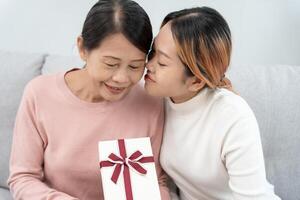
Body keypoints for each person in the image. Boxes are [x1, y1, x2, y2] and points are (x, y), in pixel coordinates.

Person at [7, 0, 170, 199]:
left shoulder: (149, 101)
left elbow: (156, 183)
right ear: (83, 48)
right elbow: (23, 178)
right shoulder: (40, 94)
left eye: (135, 66)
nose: (122, 78)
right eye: (111, 64)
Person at [144, 6, 280, 200]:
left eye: (163, 63)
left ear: (197, 81)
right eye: (152, 51)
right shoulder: (158, 95)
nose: (149, 65)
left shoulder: (233, 116)